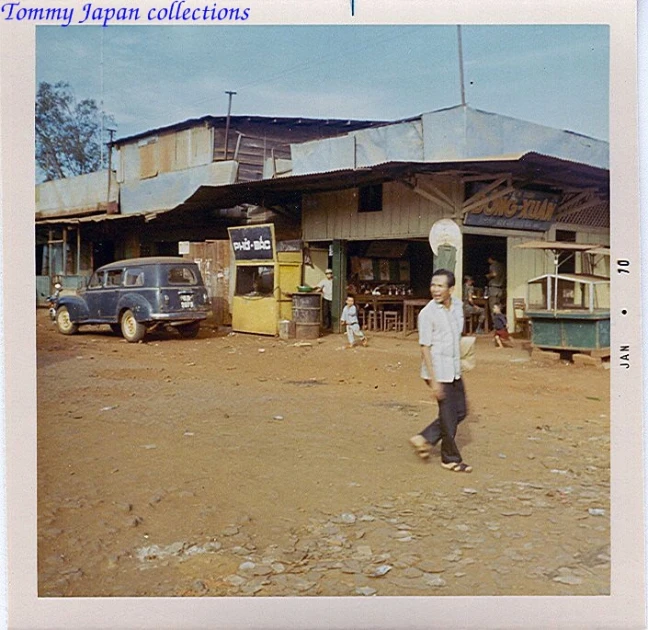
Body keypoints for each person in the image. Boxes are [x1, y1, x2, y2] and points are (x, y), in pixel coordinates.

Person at [409, 269, 472, 473]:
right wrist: (434, 381)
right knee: (448, 416)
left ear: (451, 289)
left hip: (454, 368)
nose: (435, 290)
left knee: (460, 411)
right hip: (437, 370)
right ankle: (450, 458)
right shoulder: (427, 314)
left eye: (440, 286)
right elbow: (424, 347)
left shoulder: (458, 307)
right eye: (433, 285)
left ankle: (425, 437)